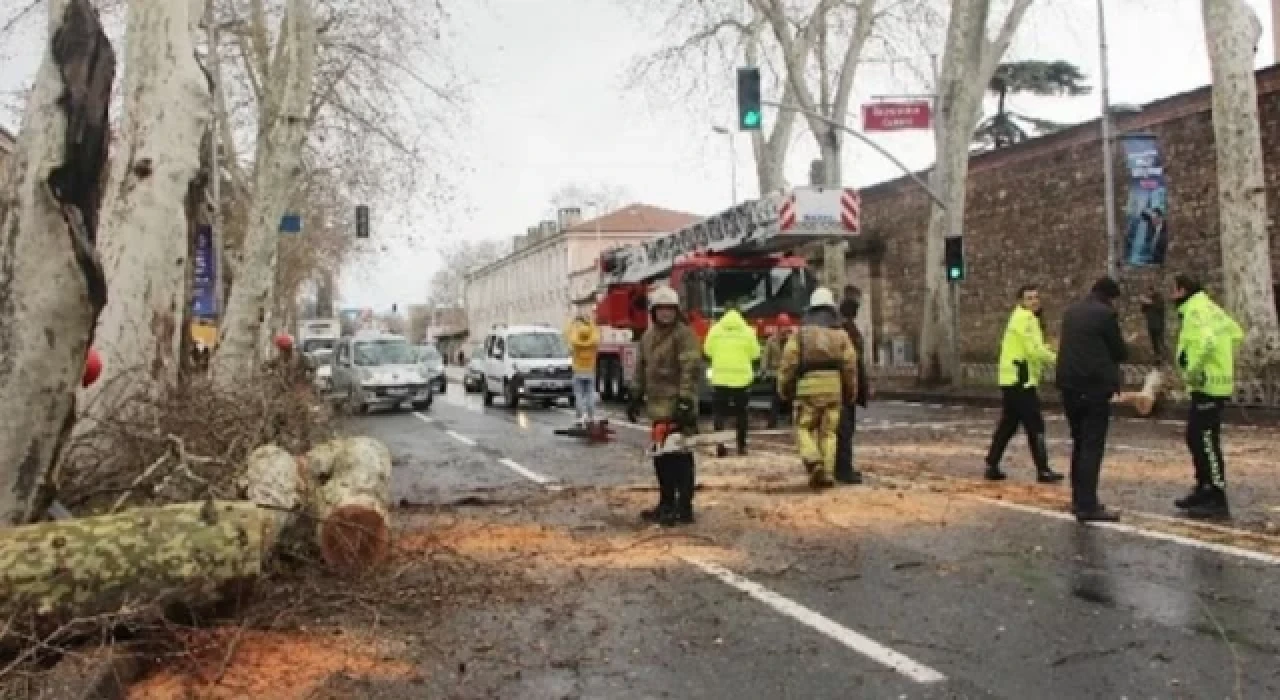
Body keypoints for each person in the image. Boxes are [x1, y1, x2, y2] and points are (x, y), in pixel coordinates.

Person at [1170, 274, 1243, 519]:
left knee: (1206, 441)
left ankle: (1217, 496)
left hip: (1207, 385)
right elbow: (1236, 332)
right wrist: (1223, 361)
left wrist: (1193, 371)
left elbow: (1207, 342)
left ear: (1182, 290)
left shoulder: (1196, 311)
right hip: (1213, 383)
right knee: (1194, 437)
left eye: (1174, 290)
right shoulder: (1210, 307)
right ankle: (1203, 487)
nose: (1171, 295)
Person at [628, 285, 701, 526]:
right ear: (654, 312)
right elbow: (641, 369)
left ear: (676, 311)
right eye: (662, 309)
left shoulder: (683, 335)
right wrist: (635, 395)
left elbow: (690, 368)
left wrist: (685, 400)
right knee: (662, 459)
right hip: (658, 407)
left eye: (670, 309)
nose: (666, 313)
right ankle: (666, 503)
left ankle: (684, 507)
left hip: (679, 405)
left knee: (680, 458)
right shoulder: (648, 338)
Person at [1056, 277, 1127, 522]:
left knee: (1079, 442)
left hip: (1069, 386)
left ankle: (1078, 498)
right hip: (1094, 386)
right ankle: (1088, 505)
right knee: (1092, 446)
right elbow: (1119, 351)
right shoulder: (1105, 315)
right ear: (1109, 297)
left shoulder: (1071, 312)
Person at [777, 287, 858, 490]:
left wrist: (783, 388)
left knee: (803, 427)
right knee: (829, 432)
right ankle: (828, 474)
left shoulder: (800, 335)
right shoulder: (841, 335)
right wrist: (851, 391)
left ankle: (813, 460)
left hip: (808, 388)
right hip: (834, 389)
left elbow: (788, 364)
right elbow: (850, 366)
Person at [984, 284, 1063, 484]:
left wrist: (1047, 349)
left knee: (1009, 424)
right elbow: (1033, 350)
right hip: (1021, 380)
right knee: (1035, 424)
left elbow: (1034, 347)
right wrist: (1059, 359)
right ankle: (1043, 469)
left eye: (1036, 297)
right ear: (1021, 301)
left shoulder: (1021, 317)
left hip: (1012, 378)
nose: (1034, 301)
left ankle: (992, 464)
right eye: (1029, 298)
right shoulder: (1026, 319)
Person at [703, 300, 760, 456]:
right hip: (742, 380)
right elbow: (755, 354)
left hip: (720, 378)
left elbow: (707, 350)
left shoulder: (715, 330)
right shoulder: (748, 331)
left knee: (719, 414)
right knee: (741, 413)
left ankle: (720, 445)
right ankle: (741, 446)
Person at [834, 287, 870, 484]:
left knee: (843, 429)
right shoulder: (845, 330)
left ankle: (840, 467)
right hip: (846, 386)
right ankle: (843, 469)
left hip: (846, 385)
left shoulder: (843, 327)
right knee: (844, 430)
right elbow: (853, 363)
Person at [565, 304, 601, 425]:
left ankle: (580, 416)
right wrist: (589, 321)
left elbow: (567, 333)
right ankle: (591, 416)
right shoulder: (593, 342)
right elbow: (596, 331)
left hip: (578, 372)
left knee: (579, 395)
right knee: (590, 394)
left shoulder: (575, 342)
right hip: (590, 371)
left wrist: (573, 321)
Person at [761, 315, 795, 428]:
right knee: (775, 398)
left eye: (786, 326)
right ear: (778, 327)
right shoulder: (771, 340)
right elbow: (766, 356)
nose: (784, 329)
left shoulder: (794, 340)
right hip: (776, 372)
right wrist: (764, 370)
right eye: (782, 326)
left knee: (791, 398)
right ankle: (772, 422)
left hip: (789, 372)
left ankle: (793, 420)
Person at [1138, 288, 1167, 361]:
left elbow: (1159, 307)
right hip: (1151, 324)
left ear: (1152, 291)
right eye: (1147, 292)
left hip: (1158, 324)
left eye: (1149, 292)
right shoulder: (1148, 300)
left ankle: (1164, 355)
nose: (1148, 293)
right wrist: (1143, 303)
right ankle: (1158, 356)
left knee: (1160, 341)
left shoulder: (1159, 298)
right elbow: (1143, 310)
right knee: (1154, 342)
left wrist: (1148, 302)